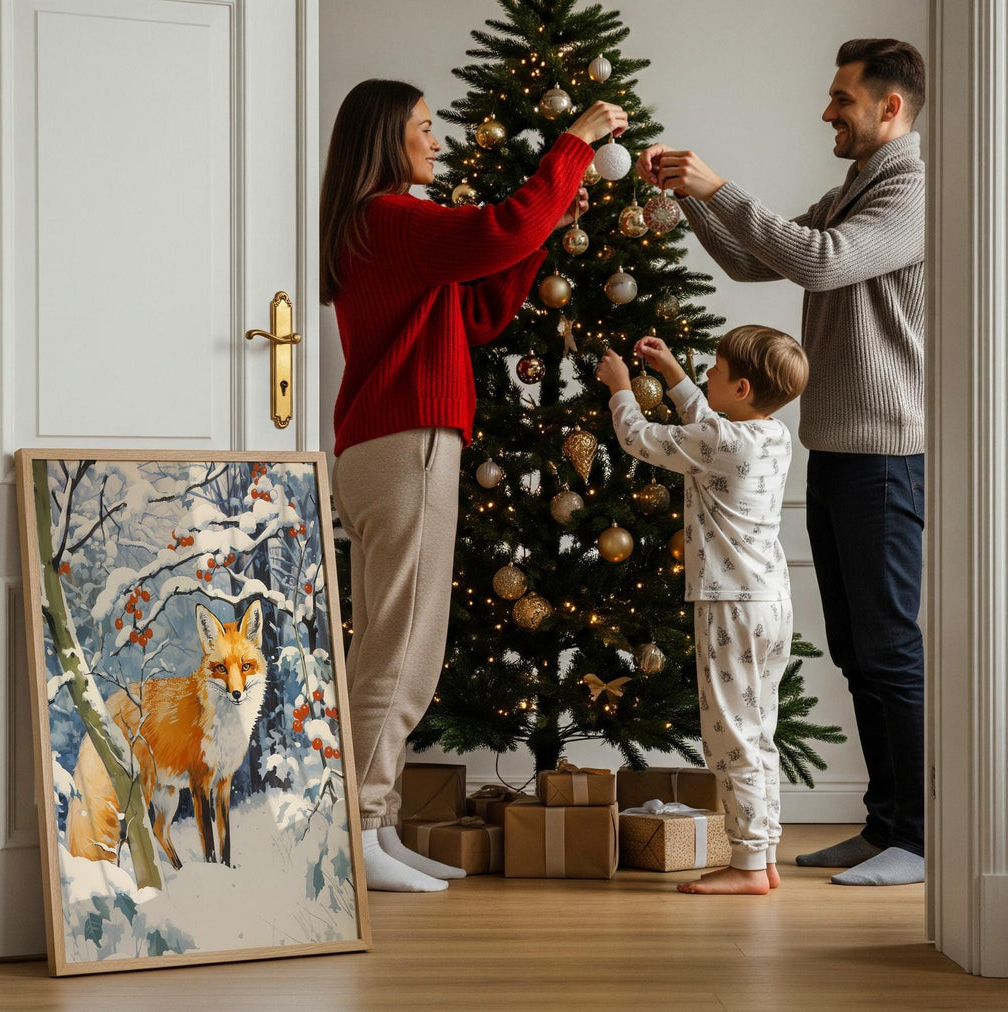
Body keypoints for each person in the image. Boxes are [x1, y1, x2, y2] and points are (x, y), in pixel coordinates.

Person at [320, 79, 627, 892]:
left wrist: (541, 232)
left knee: (391, 646)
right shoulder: (393, 216)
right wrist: (575, 142)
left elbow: (481, 308)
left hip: (383, 448)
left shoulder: (387, 228)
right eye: (421, 128)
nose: (434, 141)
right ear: (385, 137)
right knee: (402, 652)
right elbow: (498, 230)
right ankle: (353, 832)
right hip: (408, 444)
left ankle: (374, 828)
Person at [637, 39, 927, 886]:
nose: (827, 112)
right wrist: (690, 202)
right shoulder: (854, 188)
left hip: (885, 456)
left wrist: (716, 185)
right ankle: (884, 827)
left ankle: (914, 836)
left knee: (887, 651)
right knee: (854, 651)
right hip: (837, 450)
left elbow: (819, 260)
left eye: (841, 99)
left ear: (889, 109)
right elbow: (750, 257)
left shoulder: (911, 189)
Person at [599, 327, 808, 895]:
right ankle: (761, 855)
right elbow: (713, 421)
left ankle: (744, 867)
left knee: (731, 737)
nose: (706, 375)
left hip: (729, 607)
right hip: (770, 604)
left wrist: (621, 388)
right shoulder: (771, 435)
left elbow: (641, 438)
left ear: (740, 387)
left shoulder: (723, 442)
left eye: (714, 370)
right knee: (758, 732)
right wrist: (673, 375)